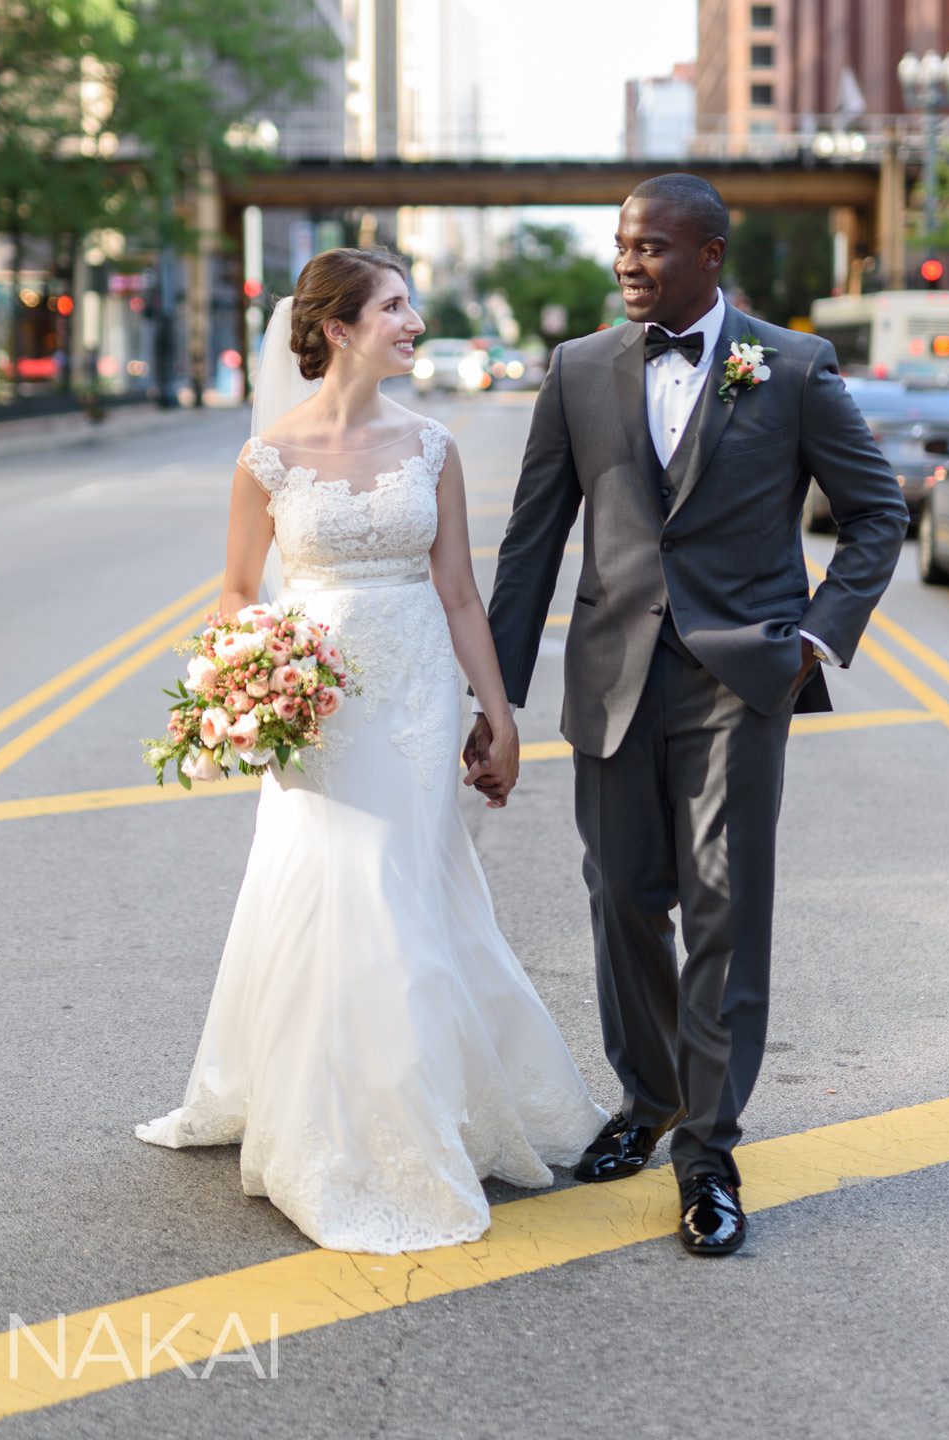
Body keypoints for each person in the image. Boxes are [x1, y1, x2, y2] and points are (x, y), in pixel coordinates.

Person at [464, 174, 908, 1256]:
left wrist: (811, 637)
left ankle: (706, 1151)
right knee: (621, 896)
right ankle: (650, 1091)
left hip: (735, 680)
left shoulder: (791, 366)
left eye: (652, 247)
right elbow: (529, 544)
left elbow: (873, 514)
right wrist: (494, 699)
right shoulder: (576, 370)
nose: (628, 262)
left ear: (709, 254)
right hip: (610, 675)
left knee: (719, 905)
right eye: (621, 244)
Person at [136, 247, 604, 1254]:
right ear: (338, 326)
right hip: (311, 700)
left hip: (413, 693)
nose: (413, 319)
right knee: (326, 886)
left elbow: (459, 593)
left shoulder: (429, 445)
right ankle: (329, 1117)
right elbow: (235, 587)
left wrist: (499, 710)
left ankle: (418, 1111)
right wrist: (247, 667)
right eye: (394, 305)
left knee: (403, 883)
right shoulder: (264, 456)